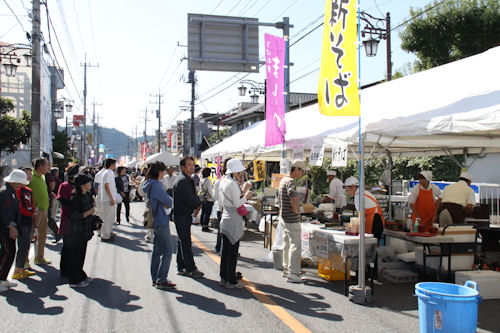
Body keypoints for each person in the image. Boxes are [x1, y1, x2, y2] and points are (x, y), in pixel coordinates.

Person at [219, 159, 253, 289]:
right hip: (233, 218)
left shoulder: (224, 181)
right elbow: (238, 203)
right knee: (232, 252)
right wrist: (247, 196)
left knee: (226, 251)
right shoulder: (232, 183)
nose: (240, 173)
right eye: (239, 171)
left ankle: (224, 277)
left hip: (226, 216)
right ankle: (231, 280)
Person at [143, 162, 176, 289]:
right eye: (163, 171)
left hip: (155, 219)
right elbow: (169, 201)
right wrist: (166, 203)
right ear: (159, 172)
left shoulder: (149, 184)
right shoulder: (157, 185)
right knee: (167, 251)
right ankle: (161, 279)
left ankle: (155, 277)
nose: (164, 173)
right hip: (161, 219)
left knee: (157, 250)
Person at [278, 160, 308, 283]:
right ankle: (294, 273)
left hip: (283, 217)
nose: (302, 173)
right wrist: (297, 210)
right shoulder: (290, 182)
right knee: (295, 245)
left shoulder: (283, 180)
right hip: (291, 218)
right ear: (296, 169)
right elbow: (293, 197)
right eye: (302, 171)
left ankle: (286, 269)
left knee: (287, 244)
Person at [173, 156, 203, 278]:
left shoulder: (186, 179)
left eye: (193, 164)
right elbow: (191, 199)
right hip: (182, 215)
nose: (192, 167)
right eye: (189, 165)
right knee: (185, 242)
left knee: (182, 241)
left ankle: (182, 266)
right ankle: (190, 268)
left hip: (183, 215)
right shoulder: (182, 181)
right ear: (183, 167)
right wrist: (198, 203)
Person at [66, 174, 97, 288]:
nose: (91, 184)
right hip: (76, 230)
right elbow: (74, 216)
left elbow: (92, 203)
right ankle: (74, 280)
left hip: (85, 229)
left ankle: (81, 275)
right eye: (89, 182)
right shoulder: (75, 197)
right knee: (75, 255)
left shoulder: (87, 194)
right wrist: (90, 212)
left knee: (81, 254)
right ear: (83, 184)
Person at [11, 167, 37, 280]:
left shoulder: (28, 190)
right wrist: (31, 214)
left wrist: (34, 214)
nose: (29, 175)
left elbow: (32, 204)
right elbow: (19, 207)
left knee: (27, 244)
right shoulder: (17, 190)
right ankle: (17, 269)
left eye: (29, 173)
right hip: (21, 220)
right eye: (26, 173)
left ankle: (21, 268)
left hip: (29, 220)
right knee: (22, 245)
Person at [0, 170, 24, 291]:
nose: (21, 185)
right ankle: (0, 279)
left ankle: (3, 278)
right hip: (5, 229)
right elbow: (6, 212)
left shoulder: (11, 191)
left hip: (8, 228)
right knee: (7, 252)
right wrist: (12, 226)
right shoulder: (6, 192)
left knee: (10, 252)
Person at [344, 176, 385, 241]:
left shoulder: (358, 196)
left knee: (369, 245)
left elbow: (360, 214)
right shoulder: (364, 192)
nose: (348, 193)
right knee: (373, 246)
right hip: (377, 220)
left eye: (348, 190)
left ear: (353, 187)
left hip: (373, 221)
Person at [28, 157, 51, 265]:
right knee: (30, 236)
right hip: (35, 211)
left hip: (44, 209)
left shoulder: (43, 177)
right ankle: (24, 261)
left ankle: (39, 257)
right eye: (46, 165)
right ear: (41, 166)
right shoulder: (30, 177)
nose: (48, 167)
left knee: (42, 235)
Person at [57, 164, 79, 277]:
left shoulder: (78, 186)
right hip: (67, 218)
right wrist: (73, 197)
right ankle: (65, 270)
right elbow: (63, 200)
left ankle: (73, 269)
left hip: (77, 220)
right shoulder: (64, 186)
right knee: (67, 246)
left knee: (75, 247)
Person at [99, 158, 120, 242]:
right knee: (107, 217)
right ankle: (105, 235)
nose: (115, 166)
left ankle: (108, 232)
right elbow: (106, 186)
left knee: (111, 217)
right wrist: (111, 198)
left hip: (110, 198)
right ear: (111, 164)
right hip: (108, 199)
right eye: (114, 164)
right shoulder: (107, 173)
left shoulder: (110, 173)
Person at [214, 158, 231, 254]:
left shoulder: (218, 181)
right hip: (226, 209)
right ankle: (222, 249)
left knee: (221, 230)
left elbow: (215, 196)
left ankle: (219, 248)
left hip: (220, 208)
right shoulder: (231, 182)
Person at [46, 167, 61, 243]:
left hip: (51, 199)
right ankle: (56, 232)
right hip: (52, 199)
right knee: (51, 217)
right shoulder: (56, 179)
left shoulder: (48, 176)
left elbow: (52, 186)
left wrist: (51, 192)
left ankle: (57, 233)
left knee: (50, 217)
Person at [199, 167, 215, 232]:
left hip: (203, 198)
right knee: (207, 213)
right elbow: (210, 191)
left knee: (203, 212)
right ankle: (205, 226)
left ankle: (202, 224)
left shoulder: (201, 179)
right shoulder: (208, 180)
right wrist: (214, 198)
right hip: (209, 199)